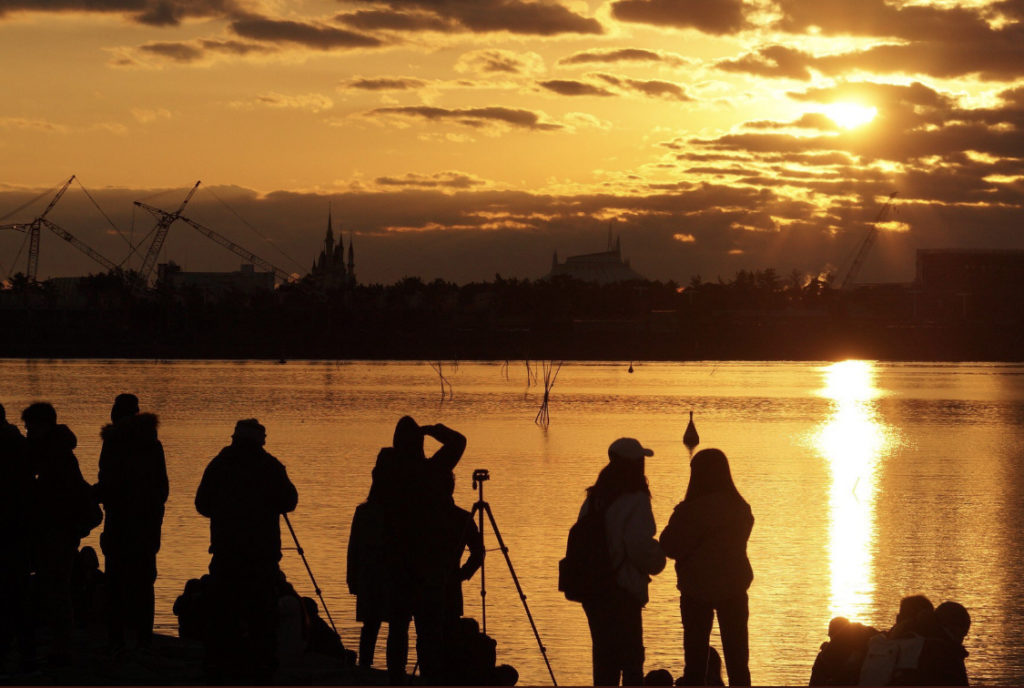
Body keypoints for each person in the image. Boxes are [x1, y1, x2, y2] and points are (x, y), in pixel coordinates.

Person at [195, 418, 298, 682]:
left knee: (223, 612)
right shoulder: (271, 466)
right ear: (260, 441)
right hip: (261, 556)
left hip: (226, 552)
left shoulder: (219, 465)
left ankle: (219, 664)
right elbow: (289, 500)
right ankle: (262, 668)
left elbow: (202, 504)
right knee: (262, 616)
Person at [377, 416, 466, 684]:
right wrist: (433, 430)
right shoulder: (433, 472)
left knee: (398, 628)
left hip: (397, 563)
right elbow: (459, 442)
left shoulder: (386, 473)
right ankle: (430, 679)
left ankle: (395, 679)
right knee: (428, 631)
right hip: (428, 566)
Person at [576, 437, 666, 686]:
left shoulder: (593, 499)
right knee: (631, 663)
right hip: (622, 591)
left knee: (604, 660)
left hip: (593, 590)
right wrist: (660, 559)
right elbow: (639, 547)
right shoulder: (636, 500)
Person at [660, 448, 753, 686]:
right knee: (738, 662)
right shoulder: (741, 509)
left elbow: (670, 546)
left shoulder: (688, 511)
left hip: (696, 591)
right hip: (733, 589)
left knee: (694, 662)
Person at [22, 402, 98, 667]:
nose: (28, 432)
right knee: (55, 587)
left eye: (30, 427)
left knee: (55, 588)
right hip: (59, 530)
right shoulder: (57, 452)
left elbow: (55, 496)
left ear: (43, 426)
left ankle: (61, 648)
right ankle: (59, 645)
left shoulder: (55, 456)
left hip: (57, 531)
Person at [94, 393, 168, 651]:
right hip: (147, 524)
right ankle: (144, 639)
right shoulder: (153, 444)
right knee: (144, 581)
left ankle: (116, 638)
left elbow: (107, 484)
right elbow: (163, 489)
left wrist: (93, 496)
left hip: (120, 522)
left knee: (115, 580)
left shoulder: (113, 443)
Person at [0, 403, 36, 674]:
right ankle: (23, 649)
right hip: (19, 529)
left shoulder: (11, 447)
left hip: (11, 529)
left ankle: (20, 648)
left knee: (13, 592)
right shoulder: (19, 445)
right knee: (16, 593)